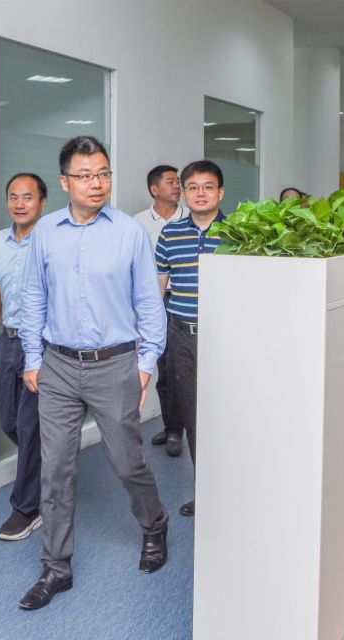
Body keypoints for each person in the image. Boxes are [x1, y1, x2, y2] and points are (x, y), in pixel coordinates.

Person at [18, 136, 170, 610]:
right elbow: (33, 296)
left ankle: (154, 524)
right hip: (59, 365)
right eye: (85, 175)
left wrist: (146, 364)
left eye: (103, 173)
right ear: (65, 182)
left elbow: (149, 302)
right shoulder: (46, 231)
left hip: (116, 364)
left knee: (126, 461)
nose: (97, 183)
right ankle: (55, 567)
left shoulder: (129, 232)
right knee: (56, 469)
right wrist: (33, 358)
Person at [0, 173, 48, 540]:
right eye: (13, 197)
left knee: (29, 425)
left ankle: (27, 508)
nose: (19, 204)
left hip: (42, 346)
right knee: (10, 420)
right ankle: (49, 464)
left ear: (42, 202)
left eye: (27, 197)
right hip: (8, 342)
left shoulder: (52, 240)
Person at [154, 160, 226, 518]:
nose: (200, 193)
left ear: (220, 193)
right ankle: (207, 492)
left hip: (227, 338)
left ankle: (237, 490)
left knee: (230, 415)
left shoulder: (238, 234)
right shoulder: (170, 234)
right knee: (195, 417)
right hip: (182, 336)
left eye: (208, 187)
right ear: (183, 193)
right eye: (193, 187)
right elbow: (159, 287)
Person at [134, 165, 189, 457]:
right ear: (154, 189)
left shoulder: (190, 218)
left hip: (185, 301)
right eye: (171, 182)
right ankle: (172, 427)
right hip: (155, 302)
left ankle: (178, 429)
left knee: (180, 368)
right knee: (163, 368)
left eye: (178, 182)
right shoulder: (138, 224)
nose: (177, 186)